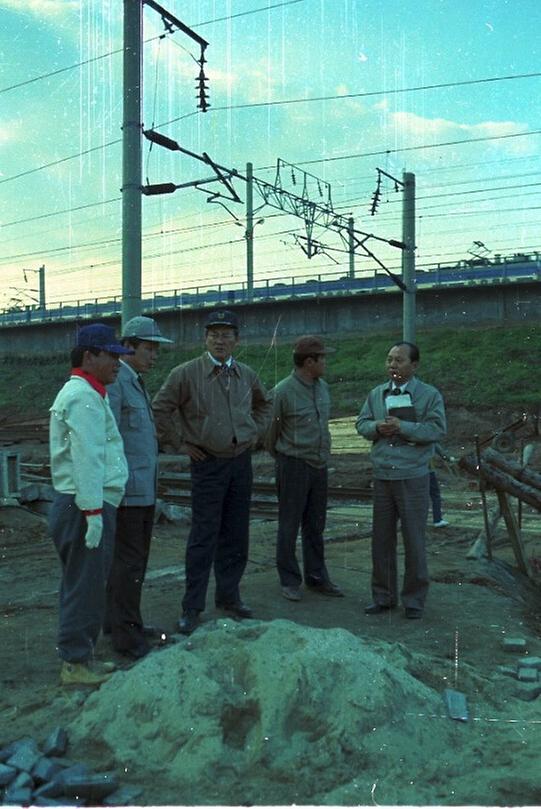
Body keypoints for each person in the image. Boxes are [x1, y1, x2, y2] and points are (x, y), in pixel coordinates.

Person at [152, 309, 272, 635]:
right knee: (204, 536)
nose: (220, 340)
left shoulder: (246, 374)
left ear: (237, 340)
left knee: (236, 534)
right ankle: (192, 608)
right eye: (214, 334)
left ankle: (229, 598)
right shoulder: (186, 373)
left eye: (227, 334)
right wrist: (179, 444)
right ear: (205, 338)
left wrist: (254, 433)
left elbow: (265, 404)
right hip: (207, 464)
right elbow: (160, 408)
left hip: (240, 463)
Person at [48, 323, 132, 685]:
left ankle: (80, 658)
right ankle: (76, 664)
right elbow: (88, 458)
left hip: (81, 504)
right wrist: (94, 512)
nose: (118, 362)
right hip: (84, 506)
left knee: (82, 583)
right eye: (111, 355)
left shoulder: (86, 393)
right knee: (85, 585)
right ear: (89, 357)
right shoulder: (83, 397)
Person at [356, 341, 446, 619]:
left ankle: (414, 601)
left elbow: (437, 429)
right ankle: (383, 597)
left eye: (399, 361)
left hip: (413, 477)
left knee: (414, 540)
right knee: (381, 541)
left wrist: (403, 427)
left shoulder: (429, 395)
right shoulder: (376, 394)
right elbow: (361, 423)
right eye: (389, 360)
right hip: (383, 476)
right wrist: (376, 428)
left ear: (414, 365)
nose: (392, 365)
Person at [105, 316, 173, 659]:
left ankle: (122, 623)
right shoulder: (117, 383)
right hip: (128, 493)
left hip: (142, 490)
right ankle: (126, 636)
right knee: (129, 564)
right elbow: (110, 438)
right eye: (149, 348)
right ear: (128, 347)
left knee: (132, 563)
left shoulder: (135, 381)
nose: (155, 355)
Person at [266, 335, 344, 601]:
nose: (326, 363)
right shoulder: (283, 391)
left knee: (315, 525)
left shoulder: (322, 388)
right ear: (309, 362)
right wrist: (285, 458)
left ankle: (317, 578)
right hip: (293, 464)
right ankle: (289, 580)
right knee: (289, 525)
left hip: (318, 465)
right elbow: (269, 433)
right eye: (323, 358)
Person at [429, 444, 449, 528]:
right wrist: (447, 457)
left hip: (412, 472)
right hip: (427, 470)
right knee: (435, 495)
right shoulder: (427, 435)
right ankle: (437, 519)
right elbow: (437, 447)